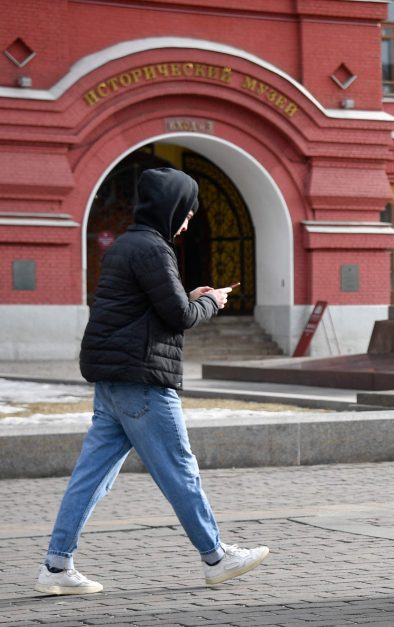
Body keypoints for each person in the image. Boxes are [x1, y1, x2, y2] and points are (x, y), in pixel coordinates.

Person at [35, 168, 269, 596]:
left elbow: (151, 307)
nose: (187, 223)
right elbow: (177, 318)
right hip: (142, 380)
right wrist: (212, 303)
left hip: (112, 380)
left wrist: (192, 296)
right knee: (180, 470)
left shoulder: (128, 245)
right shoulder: (155, 249)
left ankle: (56, 564)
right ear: (171, 209)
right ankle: (216, 557)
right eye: (187, 214)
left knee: (91, 477)